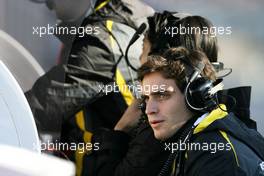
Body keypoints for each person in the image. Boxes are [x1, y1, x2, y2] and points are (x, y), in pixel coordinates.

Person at [137, 47, 264, 175]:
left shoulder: (215, 157)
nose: (148, 110)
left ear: (196, 96)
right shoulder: (199, 140)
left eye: (162, 95)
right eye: (146, 98)